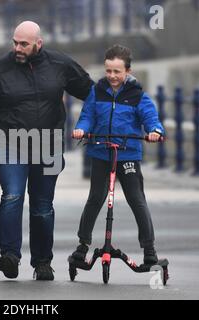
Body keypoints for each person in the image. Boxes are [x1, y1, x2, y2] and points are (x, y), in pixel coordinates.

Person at [0, 21, 94, 280]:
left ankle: (42, 263)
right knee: (13, 196)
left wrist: (109, 114)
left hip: (47, 145)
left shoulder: (60, 65)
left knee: (42, 206)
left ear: (39, 43)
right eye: (14, 42)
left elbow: (92, 93)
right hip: (9, 143)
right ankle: (10, 256)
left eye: (23, 44)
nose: (17, 48)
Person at [69, 44, 164, 265]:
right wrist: (81, 128)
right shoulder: (97, 91)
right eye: (108, 70)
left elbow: (151, 118)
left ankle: (149, 249)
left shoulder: (137, 95)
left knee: (136, 199)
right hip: (101, 151)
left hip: (127, 154)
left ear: (127, 71)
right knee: (95, 198)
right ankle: (83, 245)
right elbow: (87, 115)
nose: (111, 76)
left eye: (117, 71)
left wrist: (155, 131)